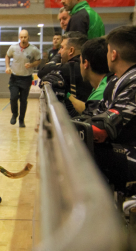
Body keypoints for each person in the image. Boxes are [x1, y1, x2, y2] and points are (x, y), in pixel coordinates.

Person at [88, 25, 136, 193]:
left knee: (80, 151)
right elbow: (95, 114)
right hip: (126, 147)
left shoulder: (133, 81)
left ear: (113, 54)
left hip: (132, 155)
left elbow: (103, 129)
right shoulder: (116, 82)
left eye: (108, 51)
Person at [38, 31, 92, 117]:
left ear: (71, 50)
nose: (59, 52)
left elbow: (42, 71)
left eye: (62, 47)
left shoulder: (71, 67)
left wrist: (57, 59)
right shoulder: (87, 64)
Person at [5, 29, 41, 127]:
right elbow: (7, 56)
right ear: (19, 37)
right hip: (14, 78)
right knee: (13, 97)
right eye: (21, 37)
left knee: (23, 100)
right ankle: (14, 114)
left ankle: (21, 120)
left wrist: (32, 64)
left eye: (25, 37)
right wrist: (8, 67)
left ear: (28, 37)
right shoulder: (13, 48)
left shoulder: (33, 49)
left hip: (26, 78)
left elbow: (38, 60)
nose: (23, 39)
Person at [70, 38, 112, 115]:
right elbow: (87, 108)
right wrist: (67, 95)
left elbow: (89, 119)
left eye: (80, 61)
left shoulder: (102, 92)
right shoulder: (105, 82)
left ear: (85, 63)